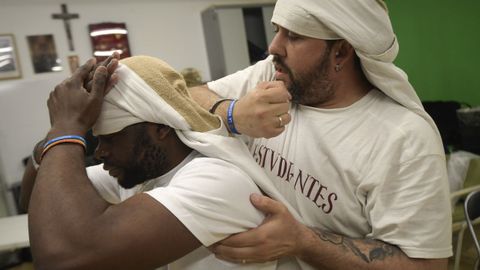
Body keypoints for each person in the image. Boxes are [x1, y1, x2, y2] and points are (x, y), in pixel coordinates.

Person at [189, 0, 452, 269]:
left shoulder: (403, 140)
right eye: (277, 30)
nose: (274, 47)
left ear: (340, 52)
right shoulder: (273, 74)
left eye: (294, 36)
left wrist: (303, 241)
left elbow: (426, 265)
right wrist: (231, 112)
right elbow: (187, 97)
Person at [22, 55, 305, 269]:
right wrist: (55, 135)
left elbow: (61, 257)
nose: (100, 153)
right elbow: (34, 202)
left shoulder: (216, 180)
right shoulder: (139, 171)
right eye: (96, 140)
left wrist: (65, 129)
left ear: (160, 129)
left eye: (110, 139)